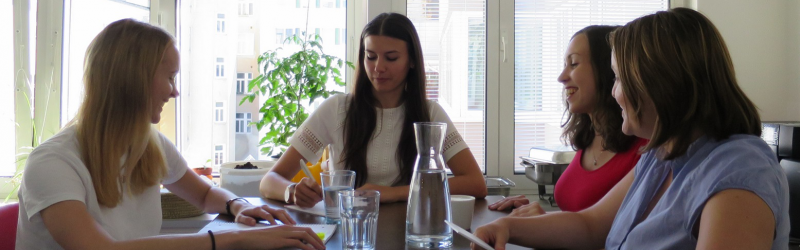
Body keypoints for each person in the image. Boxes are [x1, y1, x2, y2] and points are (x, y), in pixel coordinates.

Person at [473, 8, 789, 250]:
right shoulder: (659, 154)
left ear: (659, 83)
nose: (614, 92)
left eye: (619, 78)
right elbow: (589, 224)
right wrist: (508, 229)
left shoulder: (739, 170)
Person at [15, 19, 325, 250]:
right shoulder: (52, 163)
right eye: (170, 77)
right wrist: (234, 238)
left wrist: (238, 205)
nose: (175, 92)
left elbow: (204, 194)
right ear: (133, 80)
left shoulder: (150, 144)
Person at [260, 12, 487, 207]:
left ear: (412, 61)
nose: (378, 67)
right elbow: (270, 180)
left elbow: (475, 183)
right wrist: (291, 191)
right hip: (350, 231)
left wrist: (393, 193)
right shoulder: (337, 109)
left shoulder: (430, 114)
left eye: (391, 58)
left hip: (410, 229)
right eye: (370, 57)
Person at [488, 25, 647, 217]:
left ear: (607, 70)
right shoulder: (589, 140)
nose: (561, 77)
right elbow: (578, 221)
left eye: (573, 64)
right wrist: (539, 217)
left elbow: (613, 237)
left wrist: (545, 223)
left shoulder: (645, 152)